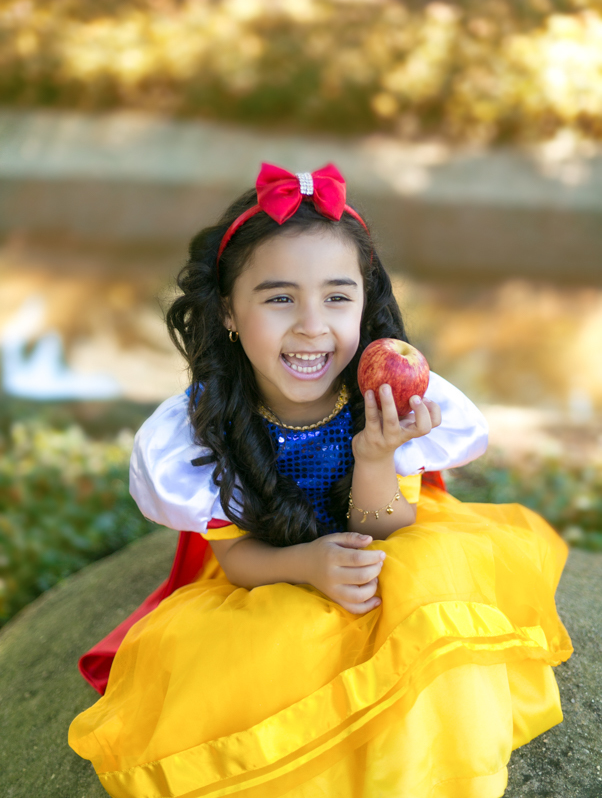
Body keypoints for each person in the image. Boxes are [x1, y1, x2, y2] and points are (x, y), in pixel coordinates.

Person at [69, 164, 572, 798]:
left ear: (366, 303)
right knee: (273, 648)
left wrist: (374, 456)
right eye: (279, 298)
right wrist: (305, 565)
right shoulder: (206, 426)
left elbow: (388, 528)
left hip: (372, 541)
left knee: (432, 578)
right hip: (278, 565)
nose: (312, 325)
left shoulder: (381, 394)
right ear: (227, 311)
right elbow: (238, 558)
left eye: (337, 297)